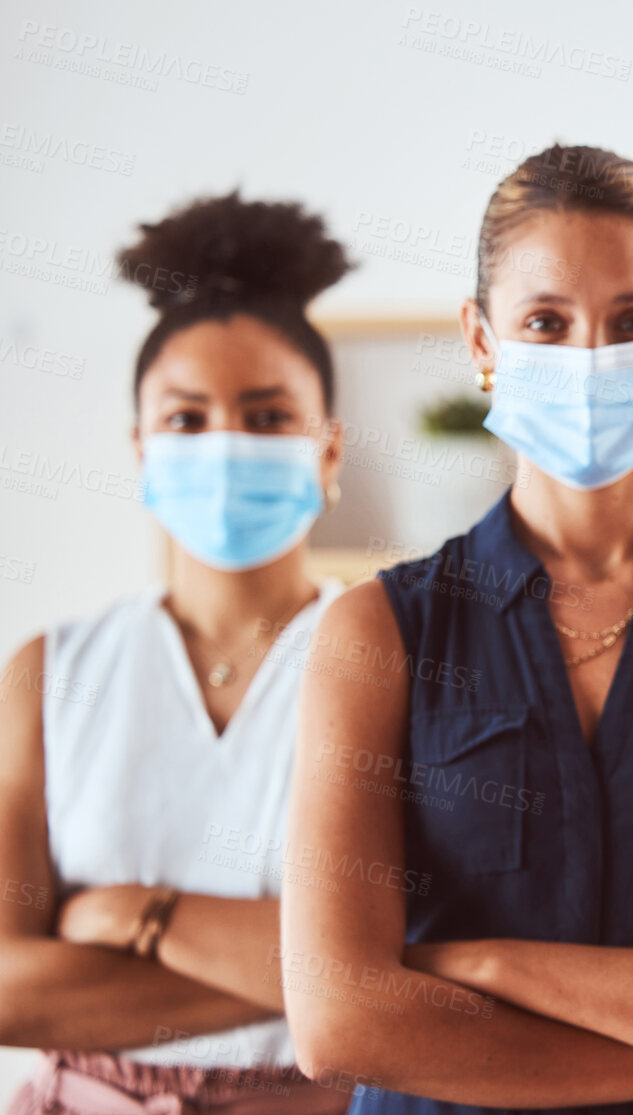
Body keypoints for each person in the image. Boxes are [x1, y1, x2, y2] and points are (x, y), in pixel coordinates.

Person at [282, 145, 633, 1115]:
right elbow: (338, 1020)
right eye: (545, 321)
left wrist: (481, 962)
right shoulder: (379, 629)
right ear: (481, 341)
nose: (589, 356)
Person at [0, 192, 354, 1113]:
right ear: (141, 450)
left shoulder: (390, 661)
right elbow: (5, 987)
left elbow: (426, 961)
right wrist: (329, 978)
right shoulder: (50, 673)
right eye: (187, 419)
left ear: (329, 450)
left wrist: (133, 917)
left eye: (269, 416)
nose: (226, 445)